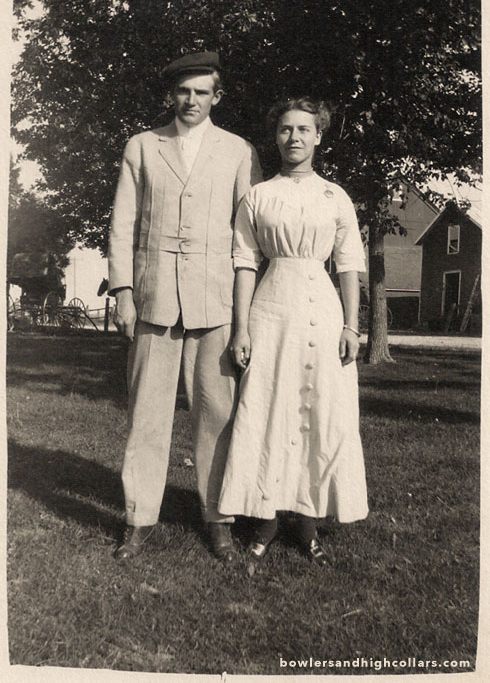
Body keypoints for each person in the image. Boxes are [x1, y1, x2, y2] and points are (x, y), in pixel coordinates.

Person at [108, 51, 262, 562]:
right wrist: (124, 292)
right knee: (147, 416)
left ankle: (218, 518)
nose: (191, 101)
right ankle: (138, 518)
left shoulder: (238, 151)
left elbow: (249, 239)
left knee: (216, 414)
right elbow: (123, 226)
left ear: (217, 96)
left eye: (202, 92)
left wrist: (244, 315)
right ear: (171, 96)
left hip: (214, 302)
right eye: (183, 92)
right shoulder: (142, 147)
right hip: (152, 300)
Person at [218, 97, 368, 565]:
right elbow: (244, 262)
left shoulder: (335, 196)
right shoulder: (258, 196)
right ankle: (263, 517)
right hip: (272, 310)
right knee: (268, 406)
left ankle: (308, 523)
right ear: (276, 136)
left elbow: (347, 265)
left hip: (322, 311)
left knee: (322, 408)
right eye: (286, 130)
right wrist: (241, 328)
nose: (295, 138)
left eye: (304, 129)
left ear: (319, 136)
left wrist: (351, 325)